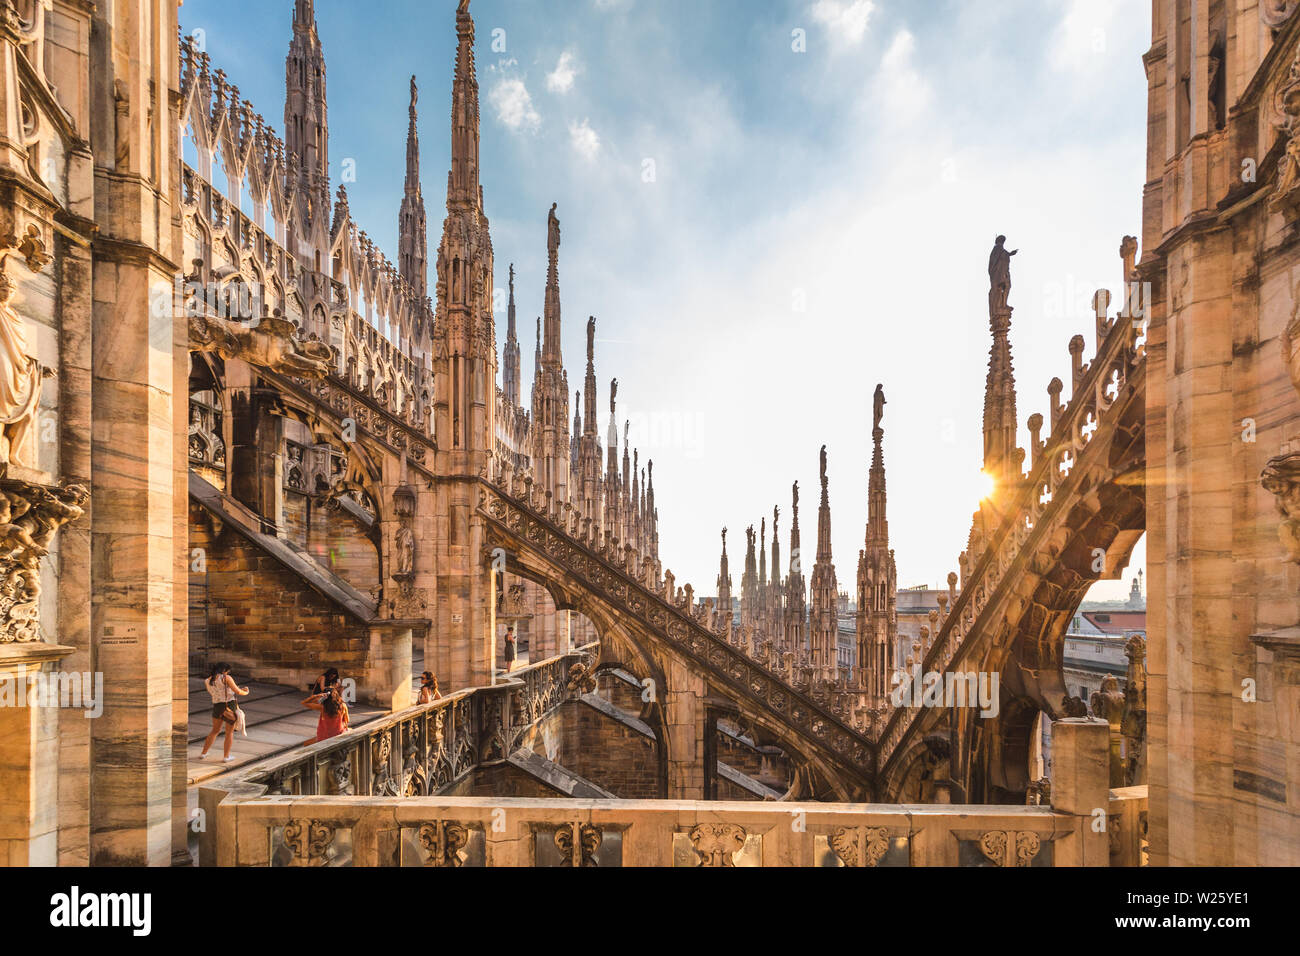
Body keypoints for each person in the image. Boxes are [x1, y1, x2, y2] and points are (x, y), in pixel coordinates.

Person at [199, 663, 250, 762]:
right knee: (229, 733)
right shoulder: (226, 678)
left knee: (214, 731)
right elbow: (238, 692)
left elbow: (215, 693)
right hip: (229, 706)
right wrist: (246, 692)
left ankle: (203, 753)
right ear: (224, 670)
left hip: (217, 707)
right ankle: (226, 757)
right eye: (227, 671)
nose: (227, 673)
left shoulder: (207, 680)